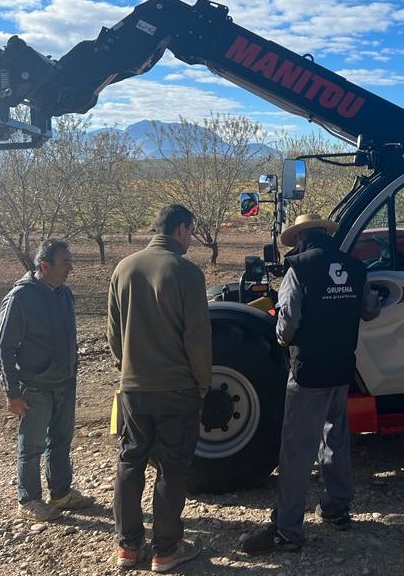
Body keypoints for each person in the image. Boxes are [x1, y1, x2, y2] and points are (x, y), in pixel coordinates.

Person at [241, 213, 380, 555]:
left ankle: (288, 529)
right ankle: (337, 510)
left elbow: (287, 322)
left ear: (302, 236)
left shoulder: (298, 268)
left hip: (308, 372)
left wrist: (279, 338)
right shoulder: (355, 267)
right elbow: (370, 310)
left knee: (297, 448)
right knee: (335, 437)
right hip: (341, 369)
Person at [108, 204, 211, 573]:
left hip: (133, 389)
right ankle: (166, 550)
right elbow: (198, 339)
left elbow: (114, 335)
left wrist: (129, 370)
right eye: (190, 231)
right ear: (182, 229)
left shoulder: (123, 269)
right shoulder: (187, 273)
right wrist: (203, 383)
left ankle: (128, 547)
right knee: (171, 468)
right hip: (178, 390)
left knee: (130, 461)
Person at [0, 238, 94, 522]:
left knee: (61, 441)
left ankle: (60, 493)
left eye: (71, 262)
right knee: (32, 446)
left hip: (65, 382)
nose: (71, 268)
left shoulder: (65, 293)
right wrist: (12, 393)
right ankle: (28, 500)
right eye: (66, 263)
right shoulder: (20, 298)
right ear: (44, 265)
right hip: (35, 386)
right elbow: (2, 347)